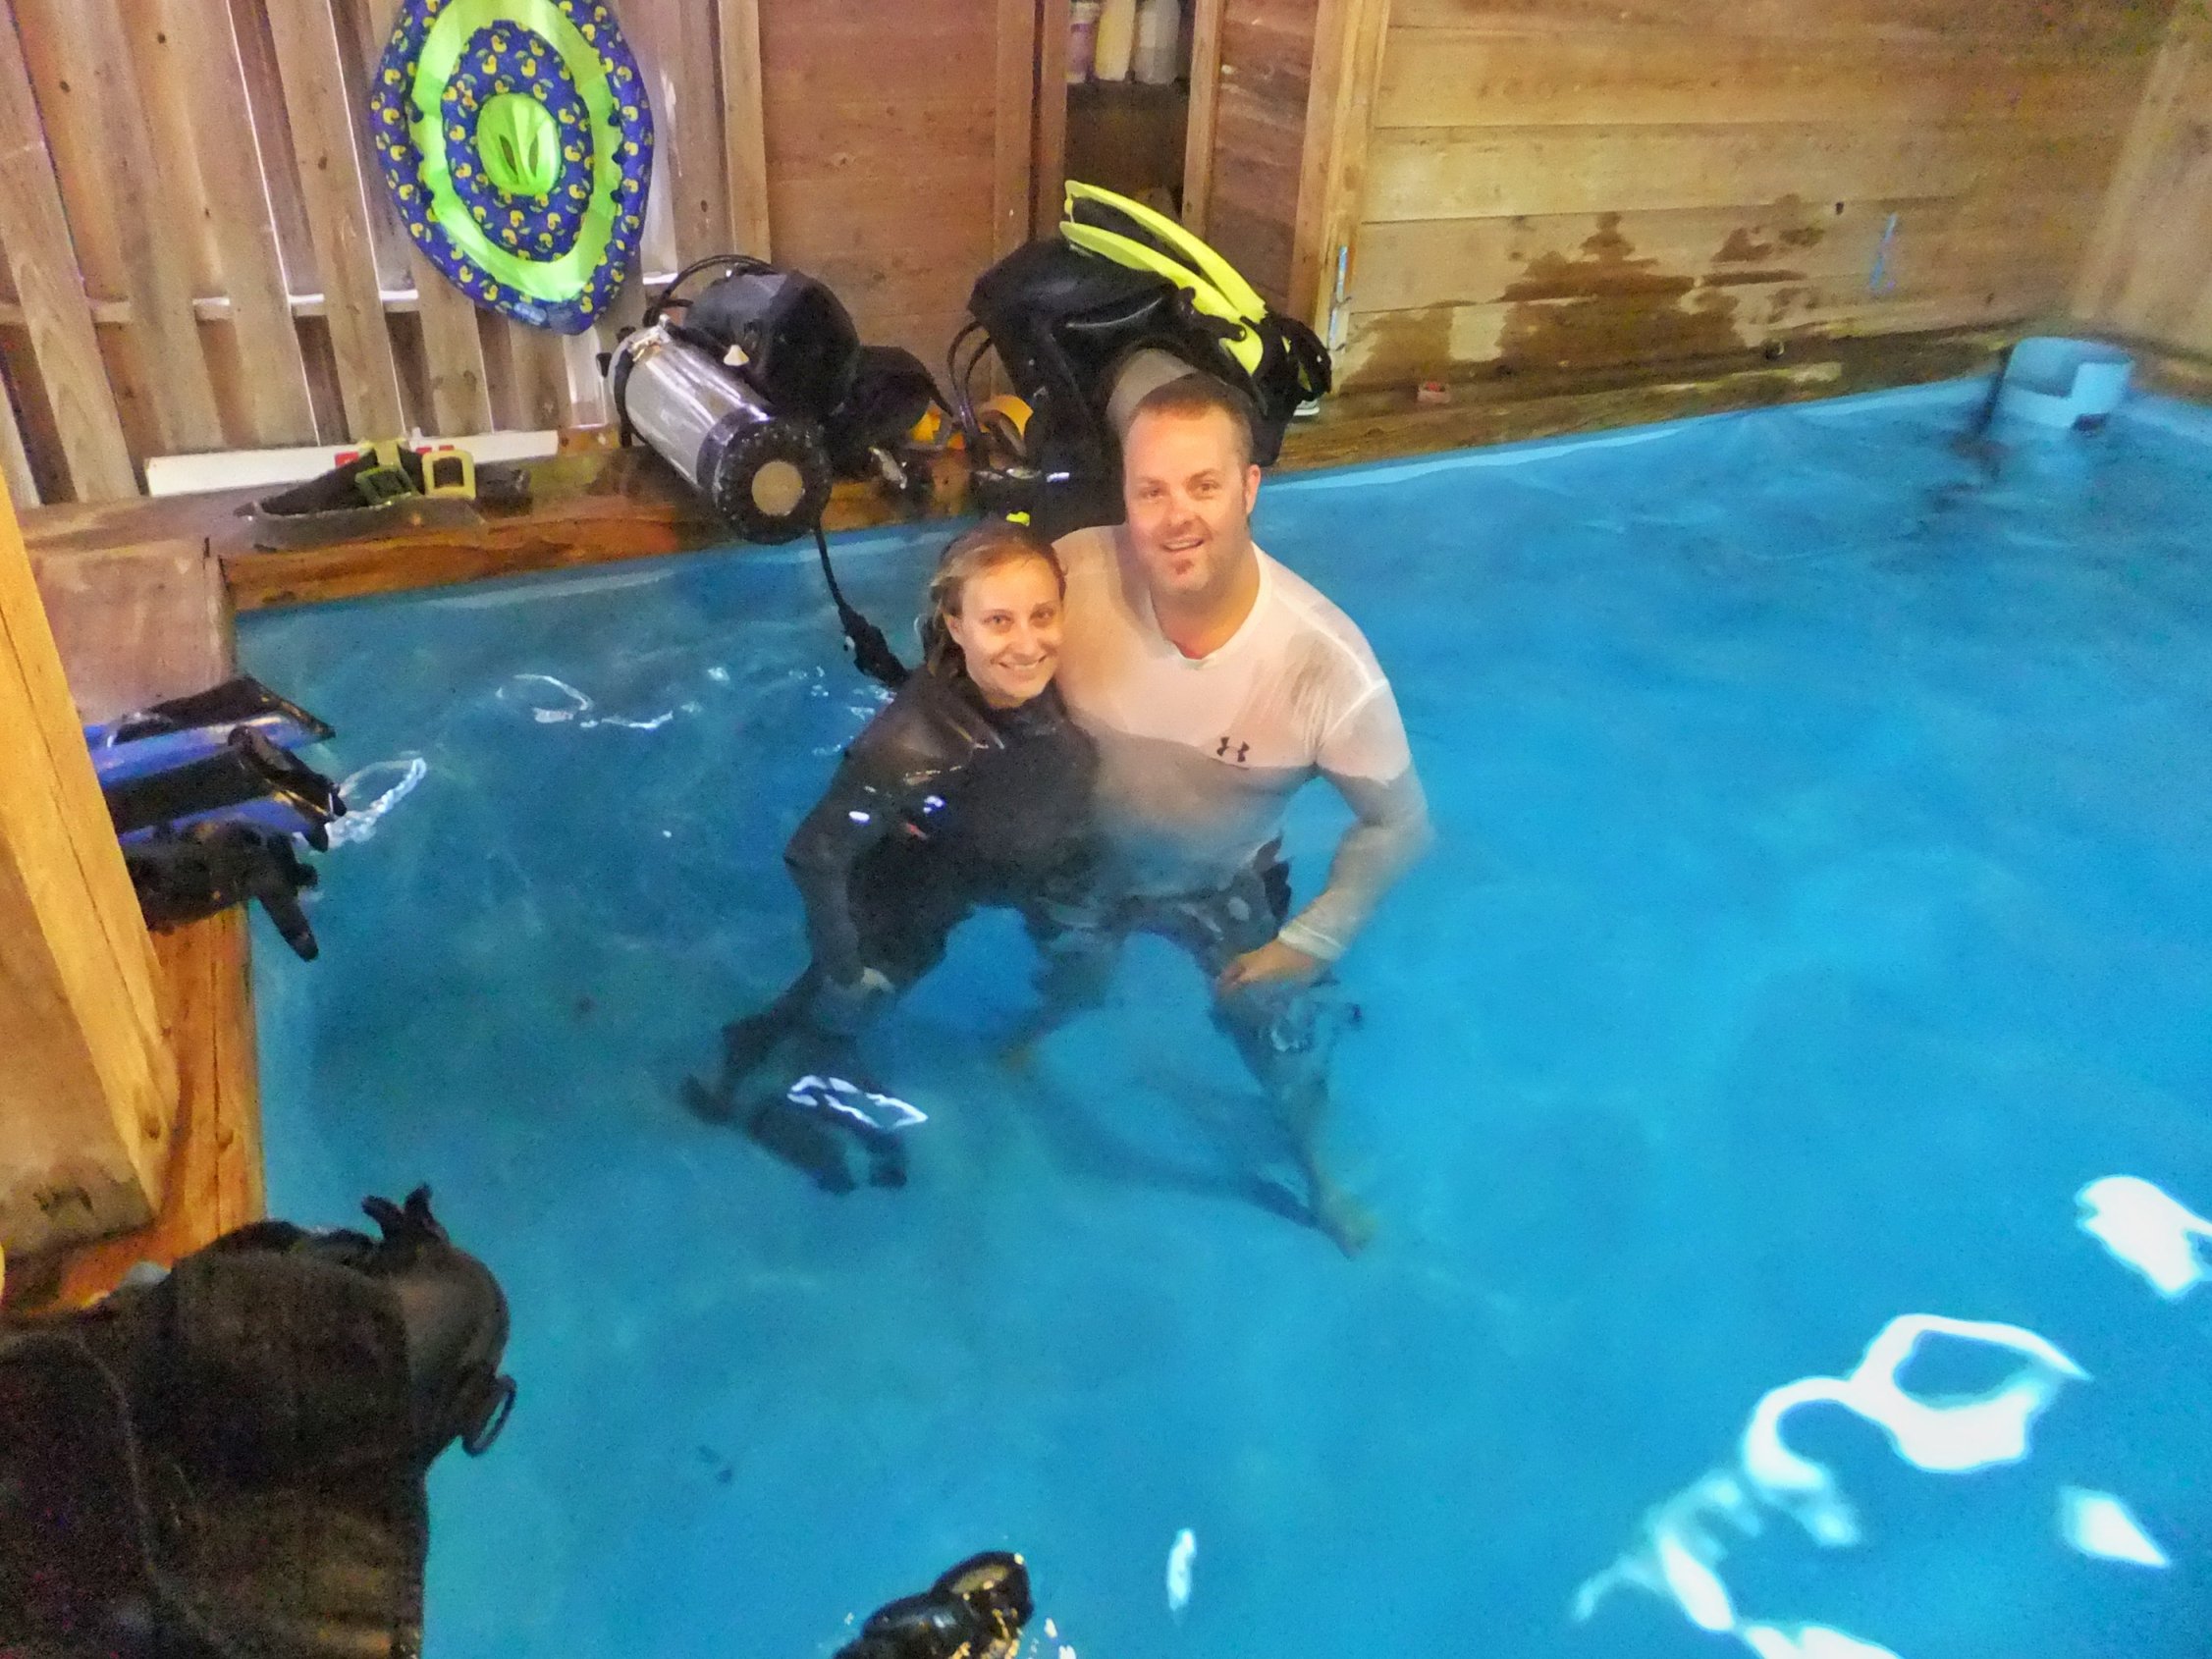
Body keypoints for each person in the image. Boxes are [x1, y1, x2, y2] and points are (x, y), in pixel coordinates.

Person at [1017, 372, 1431, 1252]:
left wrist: (1307, 941)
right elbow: (964, 655)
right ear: (1122, 495)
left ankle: (1321, 1178)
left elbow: (1399, 826)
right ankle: (1051, 1022)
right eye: (1150, 491)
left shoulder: (1324, 667)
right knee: (1066, 973)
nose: (1176, 518)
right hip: (1087, 862)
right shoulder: (1068, 582)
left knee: (1280, 1052)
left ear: (1249, 488)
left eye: (1204, 486)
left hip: (1224, 885)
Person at [685, 520, 1096, 1190]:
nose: (1027, 643)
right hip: (886, 910)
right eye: (998, 621)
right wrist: (847, 967)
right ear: (955, 626)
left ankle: (750, 1046)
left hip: (943, 891)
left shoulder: (1018, 691)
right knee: (849, 1008)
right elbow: (814, 854)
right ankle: (793, 1095)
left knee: (849, 991)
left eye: (1041, 615)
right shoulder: (909, 747)